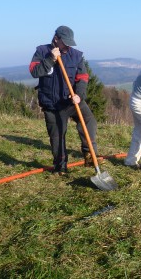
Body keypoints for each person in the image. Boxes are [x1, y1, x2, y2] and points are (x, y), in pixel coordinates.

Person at [29, 25, 97, 175]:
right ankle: (61, 167)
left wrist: (79, 95)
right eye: (65, 43)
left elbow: (82, 77)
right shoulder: (41, 51)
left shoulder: (76, 55)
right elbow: (35, 72)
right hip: (52, 104)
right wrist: (50, 59)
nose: (67, 47)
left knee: (88, 120)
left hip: (71, 101)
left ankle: (89, 154)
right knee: (57, 135)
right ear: (56, 39)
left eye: (69, 43)